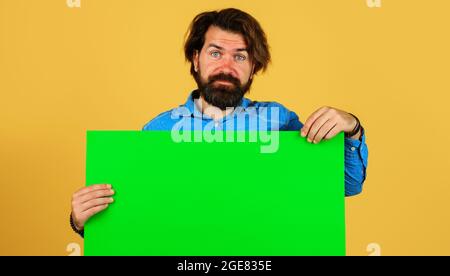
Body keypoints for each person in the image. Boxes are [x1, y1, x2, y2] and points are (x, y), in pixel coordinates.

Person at [70, 8, 368, 237]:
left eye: (240, 57)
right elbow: (141, 216)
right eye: (216, 53)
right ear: (196, 59)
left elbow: (345, 185)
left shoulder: (279, 122)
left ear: (253, 68)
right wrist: (83, 223)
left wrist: (352, 127)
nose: (226, 66)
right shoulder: (159, 131)